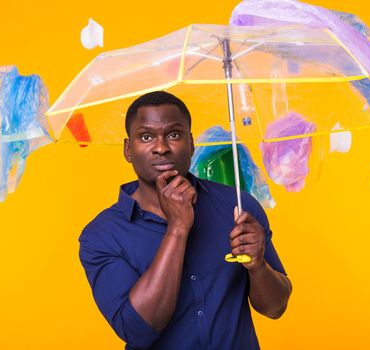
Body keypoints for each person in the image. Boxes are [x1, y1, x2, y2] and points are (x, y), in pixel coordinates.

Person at [79, 91, 292, 349]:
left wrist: (258, 266)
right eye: (146, 137)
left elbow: (275, 307)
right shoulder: (102, 235)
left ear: (191, 144)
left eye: (174, 134)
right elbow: (138, 331)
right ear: (128, 149)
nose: (161, 147)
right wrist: (178, 228)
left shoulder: (238, 207)